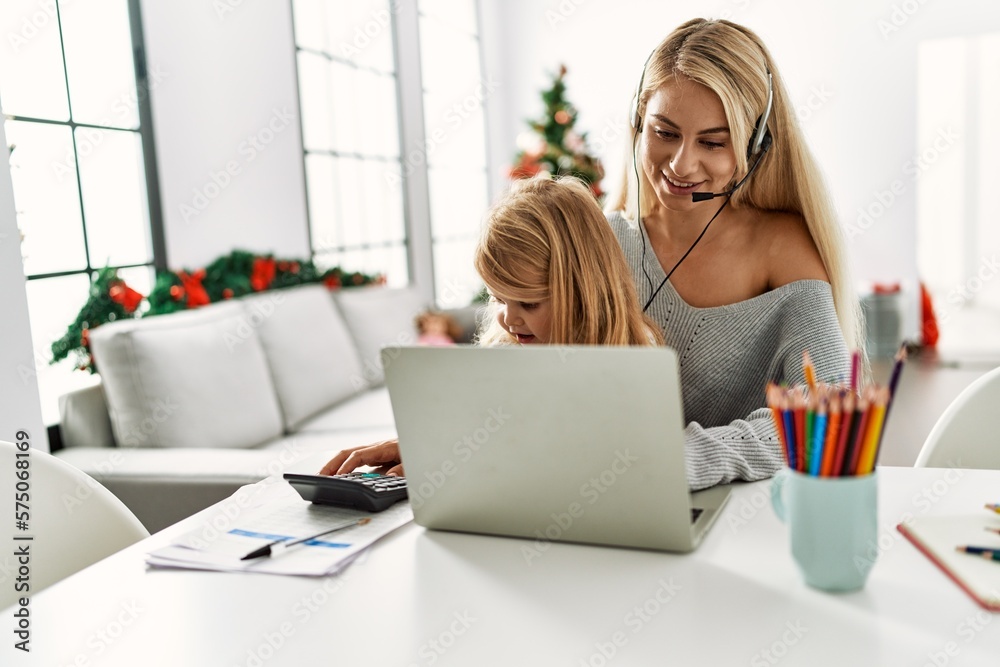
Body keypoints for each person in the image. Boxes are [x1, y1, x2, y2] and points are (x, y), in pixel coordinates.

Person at [607, 18, 859, 489]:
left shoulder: (781, 248)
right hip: (605, 502)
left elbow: (826, 417)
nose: (681, 164)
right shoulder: (602, 242)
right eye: (664, 132)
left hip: (743, 522)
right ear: (638, 124)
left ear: (754, 146)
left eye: (712, 142)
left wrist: (681, 461)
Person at [320, 175, 662, 476]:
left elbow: (607, 458)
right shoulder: (504, 351)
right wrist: (430, 447)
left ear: (584, 290)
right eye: (498, 299)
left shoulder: (633, 355)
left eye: (528, 303)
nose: (509, 319)